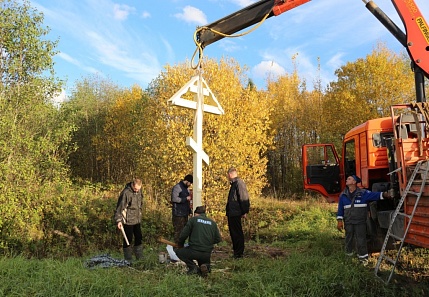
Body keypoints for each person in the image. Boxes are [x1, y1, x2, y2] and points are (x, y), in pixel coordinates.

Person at [336, 175, 392, 264]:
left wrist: (386, 194)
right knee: (348, 239)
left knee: (361, 240)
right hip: (348, 222)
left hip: (360, 222)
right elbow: (340, 209)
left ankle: (363, 260)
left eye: (349, 179)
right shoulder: (343, 195)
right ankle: (348, 258)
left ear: (354, 182)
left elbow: (376, 195)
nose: (346, 180)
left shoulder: (363, 193)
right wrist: (339, 221)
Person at [175, 206, 221, 277]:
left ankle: (193, 267)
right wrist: (208, 243)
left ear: (196, 213)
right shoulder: (213, 223)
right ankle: (205, 267)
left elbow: (183, 235)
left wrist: (180, 244)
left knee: (179, 252)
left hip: (194, 251)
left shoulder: (193, 220)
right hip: (206, 253)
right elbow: (218, 239)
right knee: (204, 262)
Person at [114, 178, 144, 262]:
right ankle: (128, 259)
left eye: (138, 189)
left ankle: (139, 257)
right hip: (128, 220)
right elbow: (120, 207)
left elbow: (141, 204)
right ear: (132, 185)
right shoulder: (125, 193)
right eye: (135, 189)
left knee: (139, 237)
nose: (136, 191)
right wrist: (118, 220)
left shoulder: (139, 191)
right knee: (128, 239)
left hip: (137, 219)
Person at [226, 167, 250, 259]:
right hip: (232, 212)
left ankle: (239, 253)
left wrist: (244, 211)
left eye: (228, 175)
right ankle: (236, 252)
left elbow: (243, 197)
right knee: (233, 233)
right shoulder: (234, 184)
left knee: (237, 233)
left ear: (230, 174)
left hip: (236, 212)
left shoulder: (239, 183)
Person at [171, 174, 193, 244]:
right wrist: (185, 199)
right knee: (178, 232)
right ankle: (177, 248)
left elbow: (188, 202)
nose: (190, 185)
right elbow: (174, 199)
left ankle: (182, 247)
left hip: (185, 213)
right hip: (178, 214)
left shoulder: (186, 189)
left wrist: (189, 211)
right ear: (187, 181)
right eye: (190, 183)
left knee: (184, 232)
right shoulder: (177, 187)